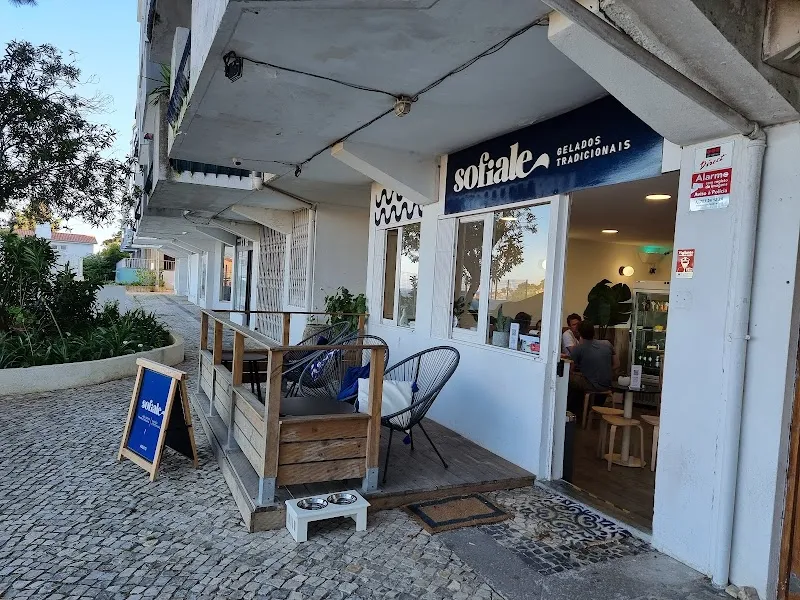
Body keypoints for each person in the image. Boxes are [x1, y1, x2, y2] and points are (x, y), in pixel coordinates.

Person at [569, 320, 619, 393]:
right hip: (607, 385)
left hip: (592, 386)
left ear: (579, 333)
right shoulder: (607, 343)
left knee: (567, 377)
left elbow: (570, 370)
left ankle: (573, 404)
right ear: (593, 331)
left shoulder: (578, 348)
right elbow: (617, 364)